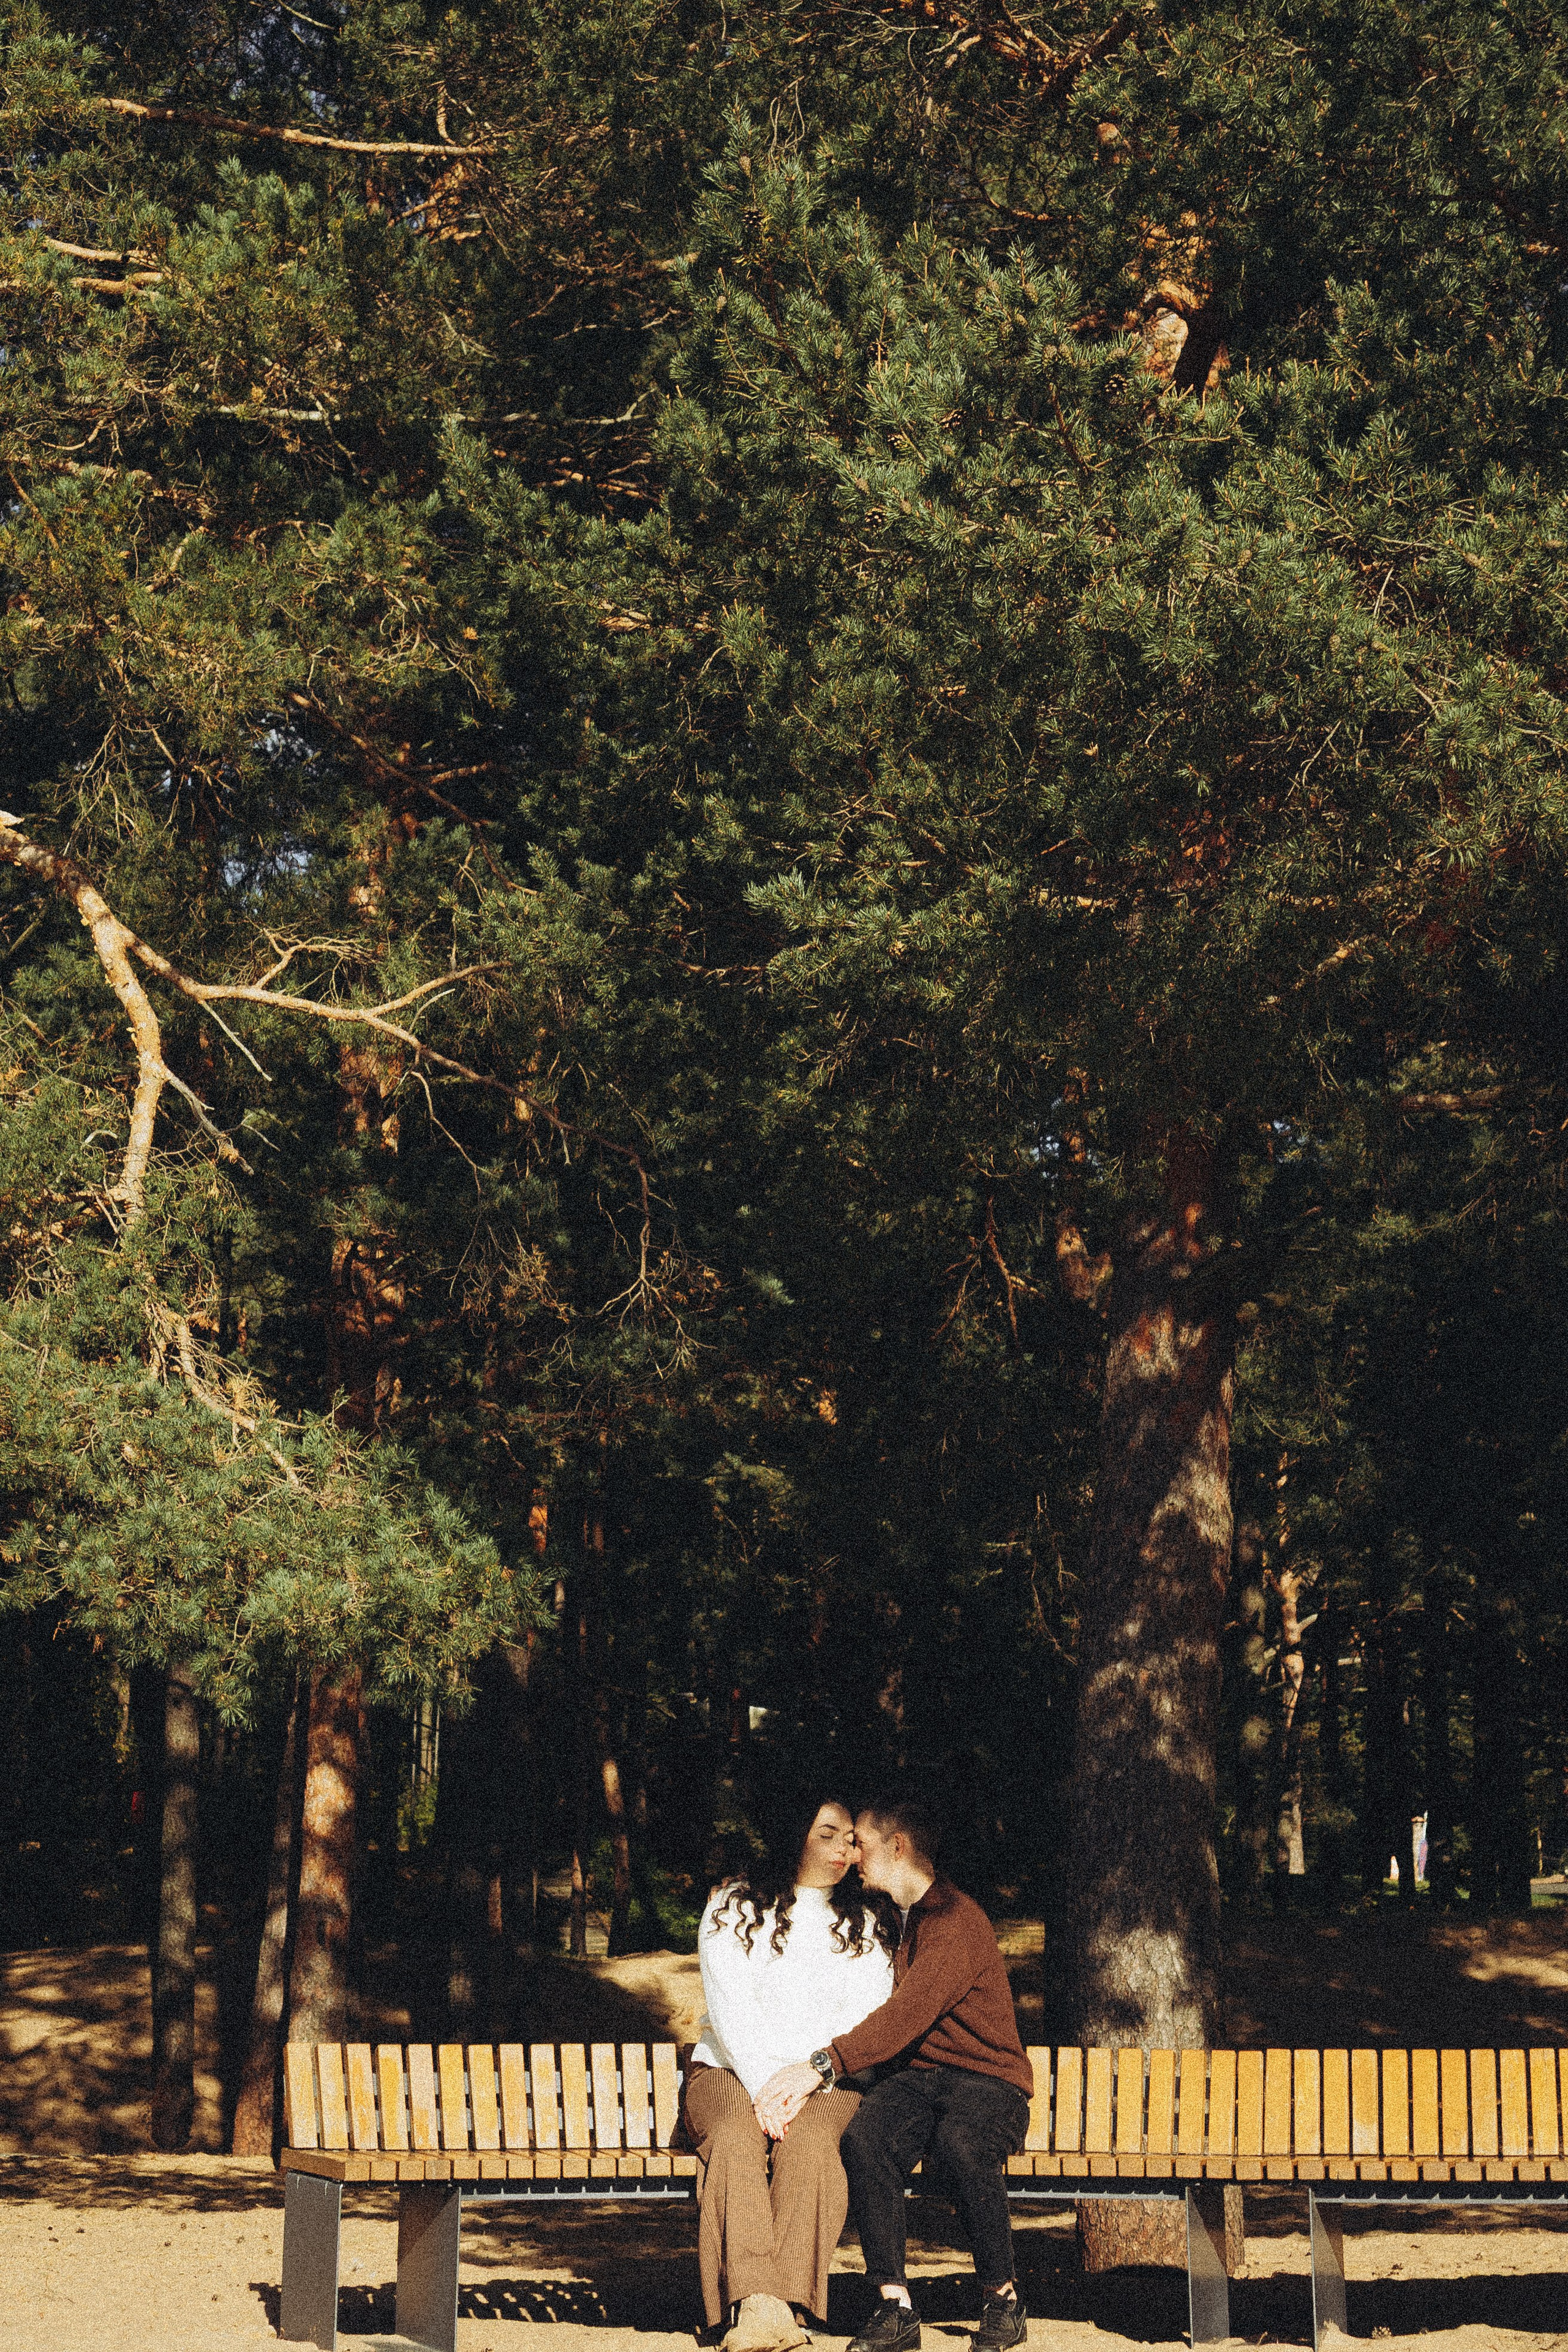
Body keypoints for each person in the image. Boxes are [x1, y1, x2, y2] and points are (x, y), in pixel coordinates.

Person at [753, 1796, 1032, 2352]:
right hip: (923, 2080)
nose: (854, 1855)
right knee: (866, 2139)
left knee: (962, 2145)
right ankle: (894, 2305)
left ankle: (1003, 2297)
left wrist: (822, 2065)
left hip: (989, 2082)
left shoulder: (955, 1919)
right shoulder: (902, 1920)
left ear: (898, 1846)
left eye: (863, 1843)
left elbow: (906, 2015)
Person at [685, 1792, 897, 2352]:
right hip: (729, 2069)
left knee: (811, 2149)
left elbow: (867, 2016)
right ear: (791, 1834)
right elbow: (731, 2011)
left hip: (826, 2080)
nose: (843, 1848)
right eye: (827, 1833)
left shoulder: (868, 1920)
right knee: (733, 2138)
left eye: (851, 1838)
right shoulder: (732, 1907)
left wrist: (809, 2080)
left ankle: (784, 2310)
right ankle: (760, 2305)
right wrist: (767, 2092)